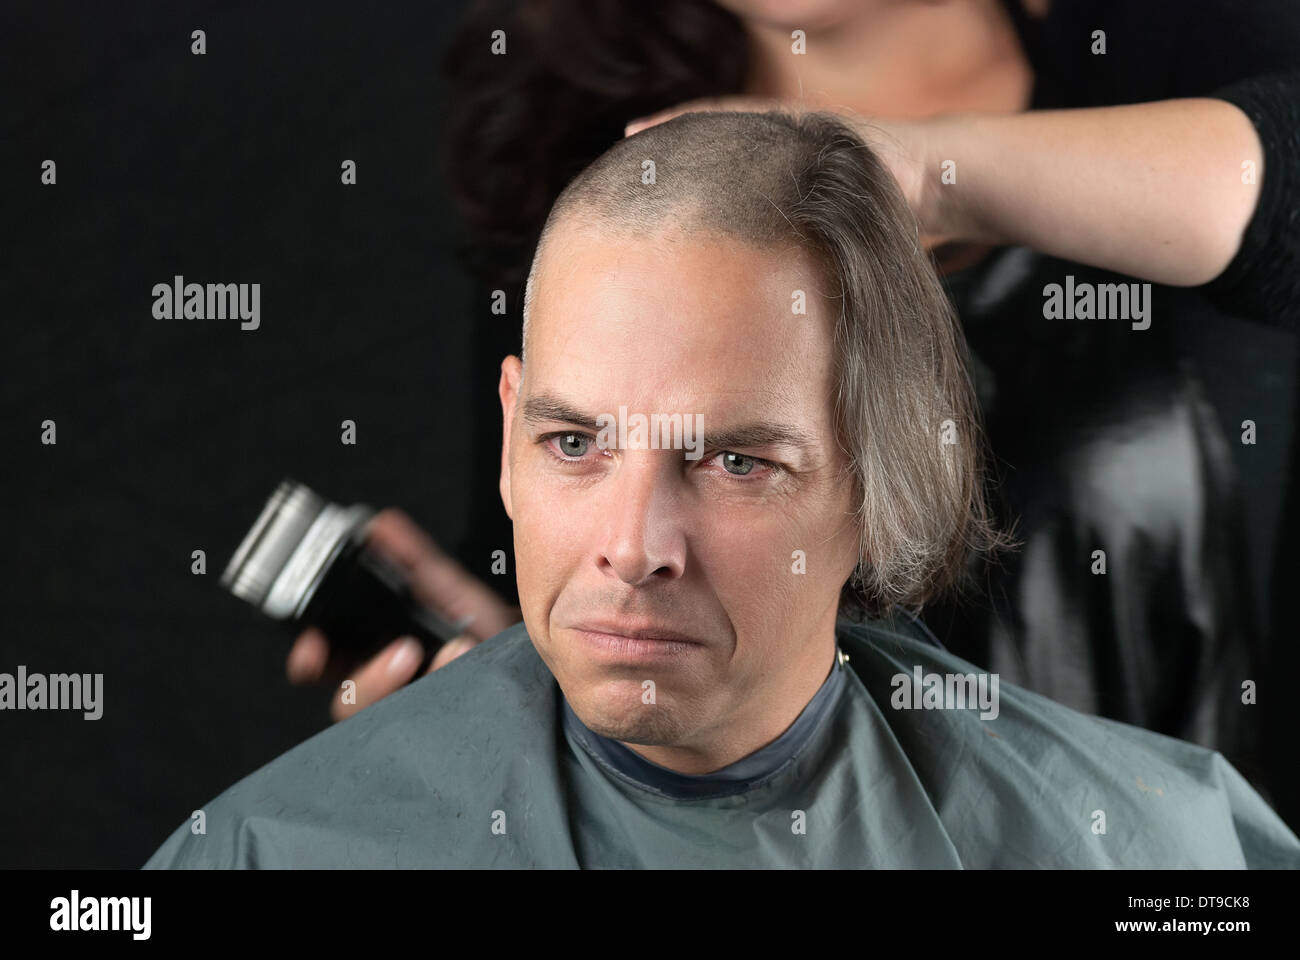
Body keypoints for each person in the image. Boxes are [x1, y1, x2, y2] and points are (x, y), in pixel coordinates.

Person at [146, 111, 1299, 868]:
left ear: (880, 473)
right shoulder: (271, 851)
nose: (633, 546)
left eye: (735, 461)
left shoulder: (1149, 849)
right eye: (575, 445)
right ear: (507, 436)